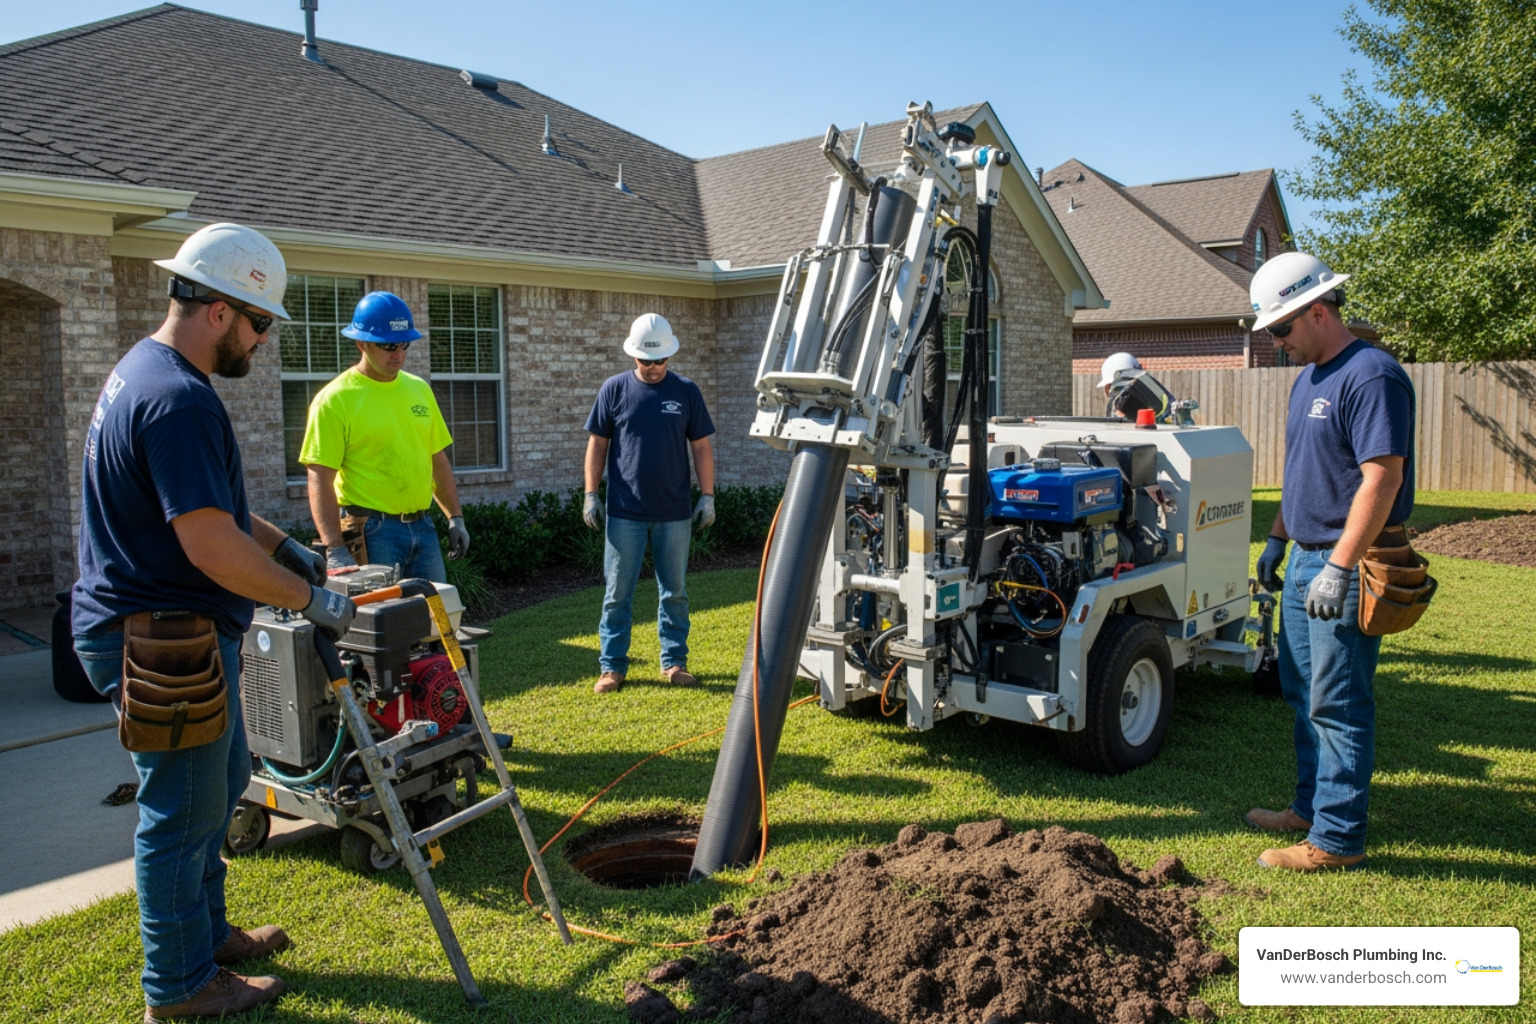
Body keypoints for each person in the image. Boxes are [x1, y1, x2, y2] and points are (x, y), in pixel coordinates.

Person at [72, 222, 358, 1020]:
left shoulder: (146, 371)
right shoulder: (177, 400)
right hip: (158, 635)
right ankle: (180, 986)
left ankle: (210, 934)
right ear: (219, 310)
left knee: (223, 779)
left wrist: (293, 550)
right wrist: (313, 600)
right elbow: (208, 548)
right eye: (261, 322)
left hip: (175, 629)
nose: (263, 341)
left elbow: (221, 515)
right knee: (181, 813)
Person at [1245, 251, 1416, 872]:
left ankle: (1337, 840)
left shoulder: (1371, 375)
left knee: (1338, 700)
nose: (1277, 343)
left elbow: (1381, 478)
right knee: (1302, 692)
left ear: (1319, 311)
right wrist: (1276, 539)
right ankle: (1309, 809)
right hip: (1305, 560)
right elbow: (1303, 475)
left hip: (1345, 564)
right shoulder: (1310, 377)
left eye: (1282, 329)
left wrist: (1339, 566)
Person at [583, 313, 716, 694]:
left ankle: (674, 662)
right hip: (625, 511)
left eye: (661, 361)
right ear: (634, 357)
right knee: (617, 593)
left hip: (674, 512)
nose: (654, 367)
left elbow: (702, 447)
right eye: (647, 360)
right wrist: (591, 493)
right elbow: (597, 445)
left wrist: (707, 496)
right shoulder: (614, 390)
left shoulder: (686, 391)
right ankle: (612, 667)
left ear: (669, 357)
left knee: (674, 590)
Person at [299, 291, 469, 582]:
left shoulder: (419, 390)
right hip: (372, 531)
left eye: (404, 345)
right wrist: (334, 546)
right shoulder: (335, 400)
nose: (398, 354)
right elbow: (319, 478)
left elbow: (437, 459)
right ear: (361, 343)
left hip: (424, 528)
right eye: (388, 346)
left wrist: (455, 518)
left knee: (435, 617)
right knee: (383, 621)